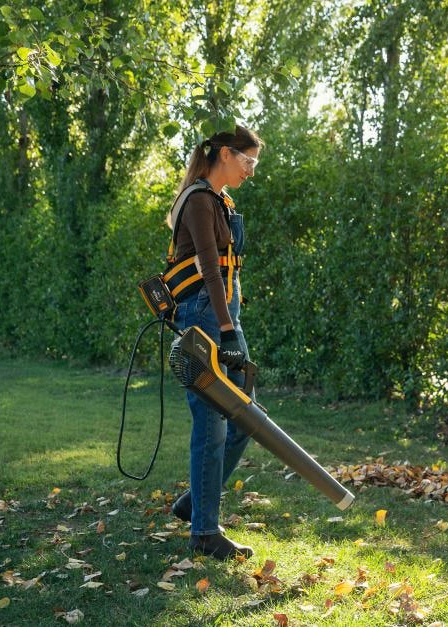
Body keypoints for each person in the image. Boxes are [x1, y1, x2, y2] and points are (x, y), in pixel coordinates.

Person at [165, 124, 263, 560]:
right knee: (213, 426)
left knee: (246, 418)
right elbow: (208, 265)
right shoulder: (201, 200)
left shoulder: (220, 202)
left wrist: (231, 322)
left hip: (222, 316)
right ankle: (205, 532)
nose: (252, 171)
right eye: (248, 161)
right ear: (225, 154)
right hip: (209, 319)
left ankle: (194, 503)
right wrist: (226, 330)